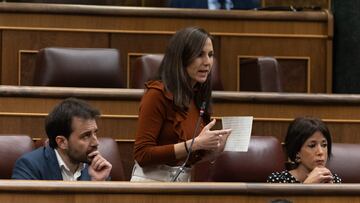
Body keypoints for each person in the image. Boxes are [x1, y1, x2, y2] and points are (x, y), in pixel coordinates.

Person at [131, 27, 232, 182]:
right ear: (181, 58)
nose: (207, 62)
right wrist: (195, 144)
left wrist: (213, 151)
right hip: (151, 186)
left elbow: (186, 157)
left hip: (182, 186)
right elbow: (142, 154)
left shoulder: (197, 96)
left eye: (210, 55)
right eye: (199, 55)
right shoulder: (157, 94)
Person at [12, 98, 112, 181]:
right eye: (86, 136)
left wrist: (98, 184)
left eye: (95, 133)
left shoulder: (98, 168)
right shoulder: (30, 167)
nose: (96, 142)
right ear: (62, 142)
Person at [267, 117, 341, 183]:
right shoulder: (278, 181)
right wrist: (307, 186)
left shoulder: (333, 180)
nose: (320, 152)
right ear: (297, 153)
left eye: (324, 145)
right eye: (312, 146)